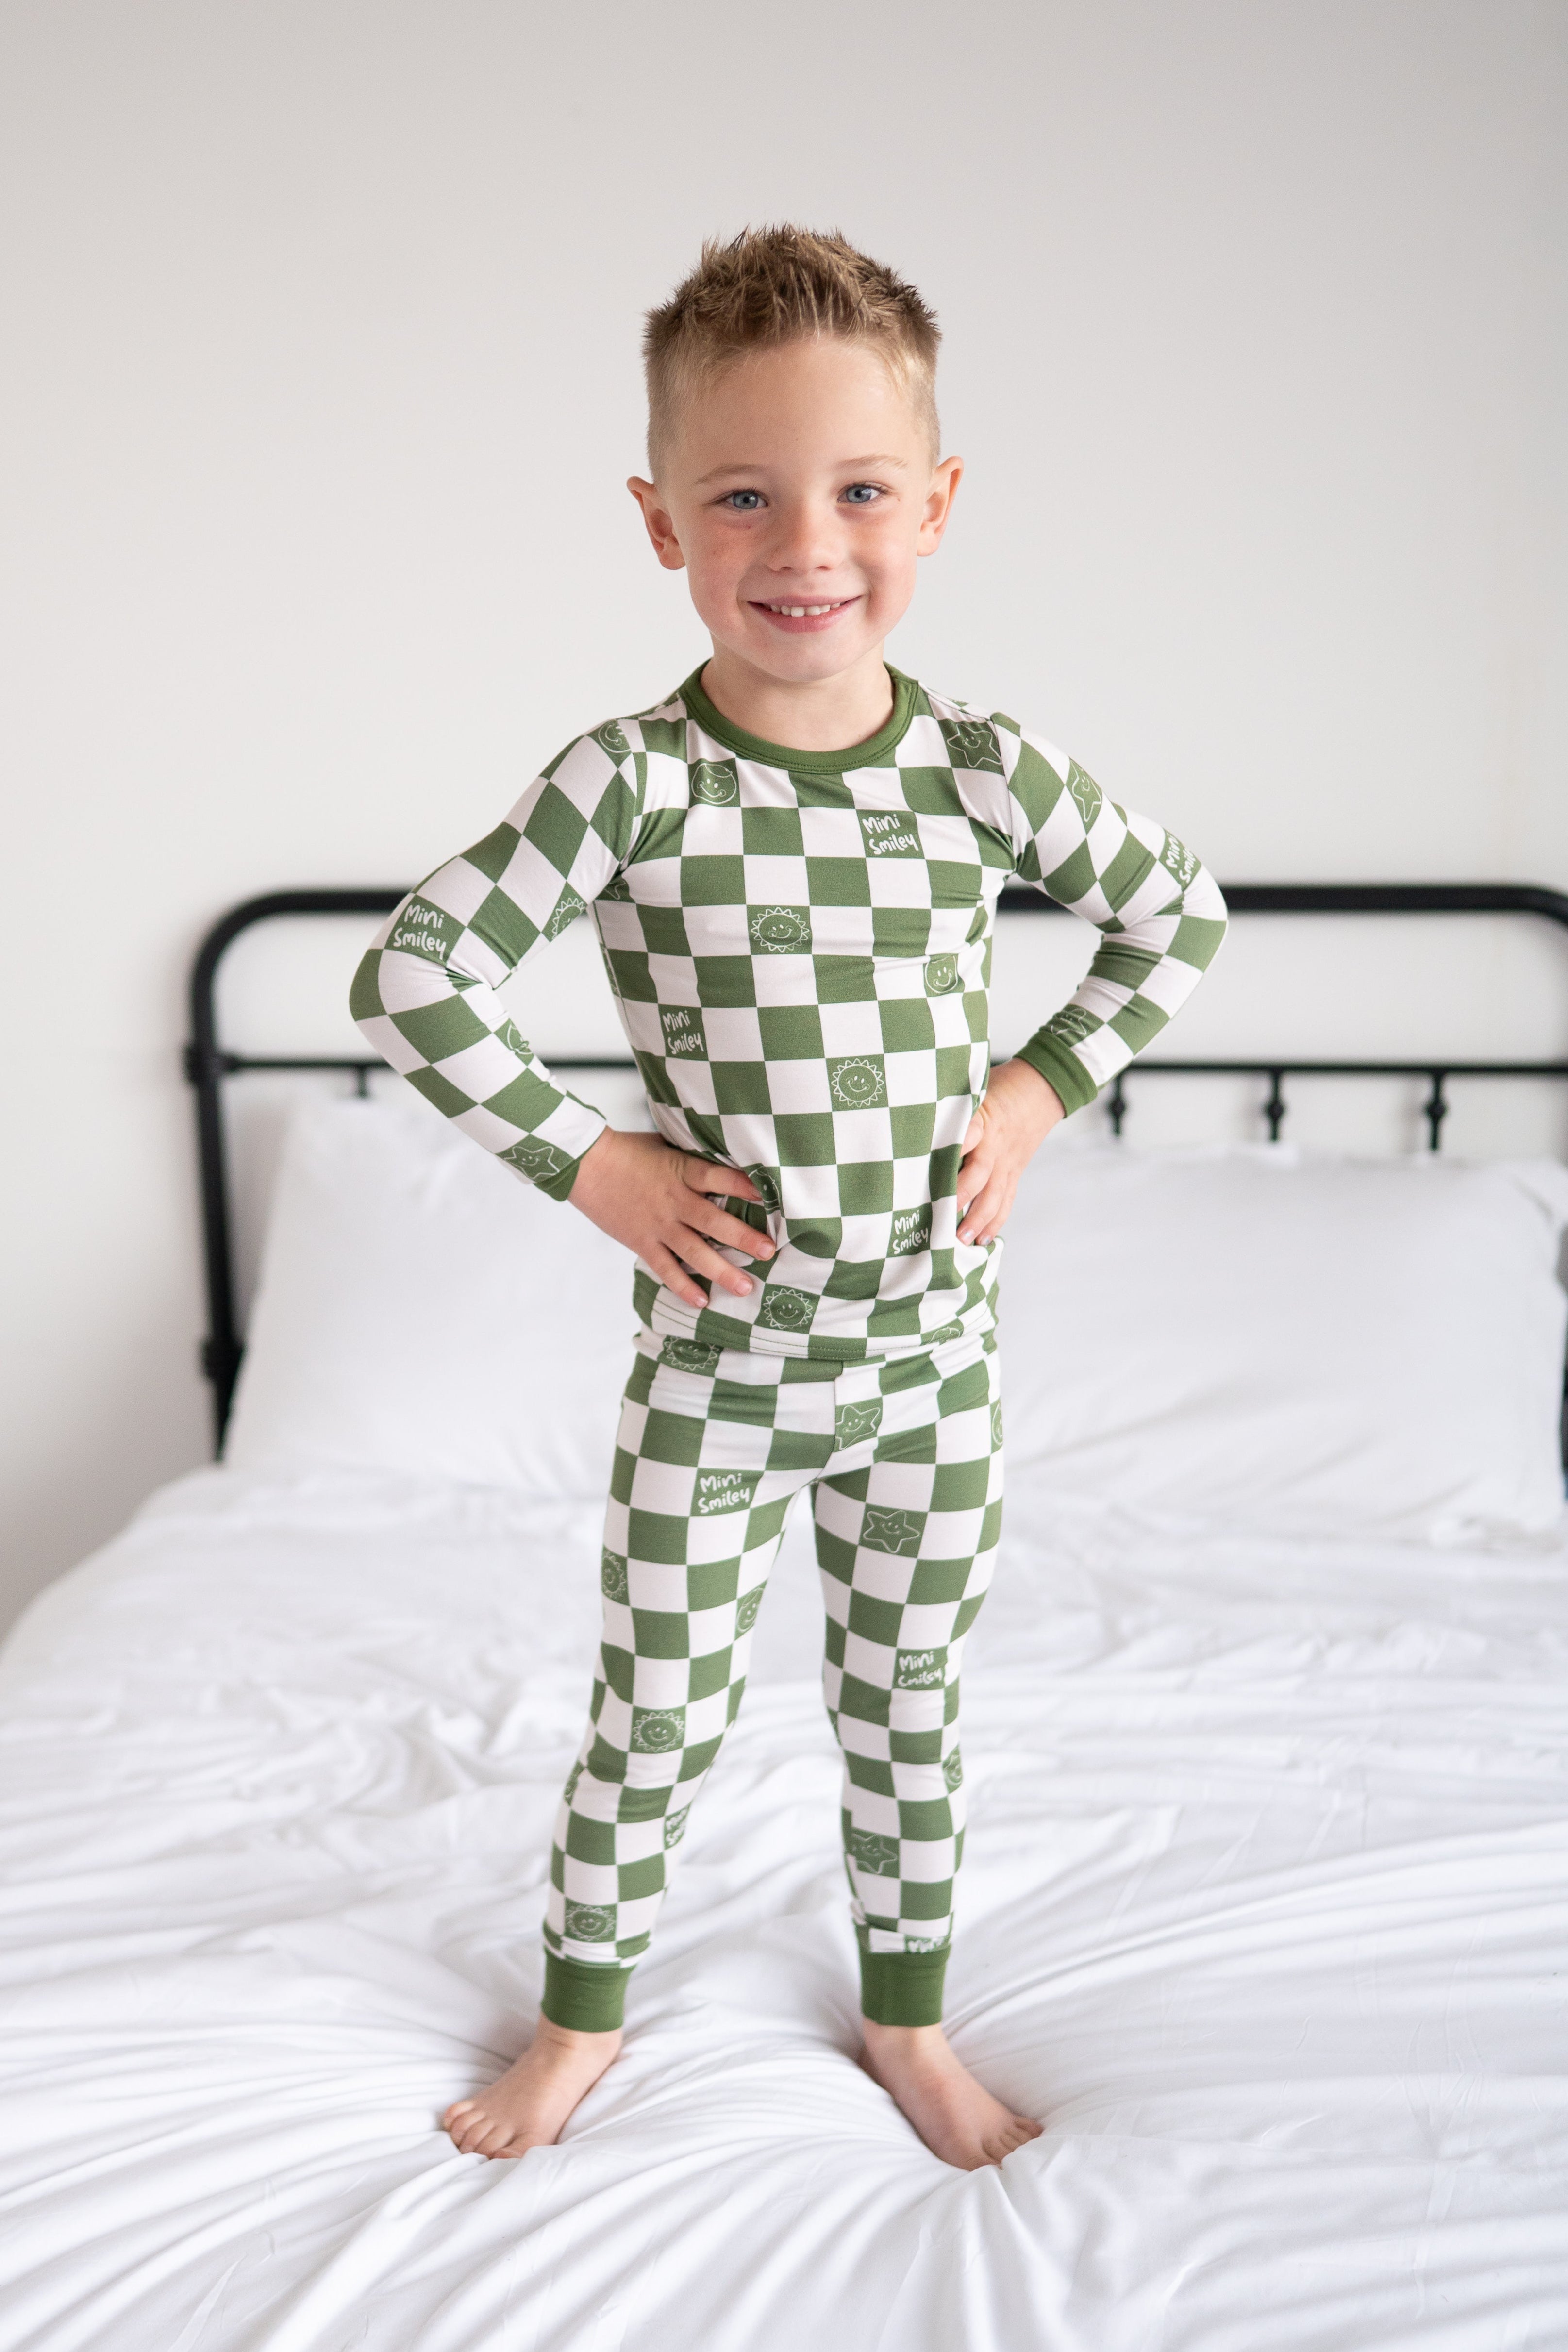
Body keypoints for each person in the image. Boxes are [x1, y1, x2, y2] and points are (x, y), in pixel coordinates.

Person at [351, 225, 1227, 2171]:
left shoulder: (980, 771)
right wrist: (590, 1159)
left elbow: (1179, 911)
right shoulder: (636, 784)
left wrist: (1037, 1076)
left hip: (925, 1365)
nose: (803, 542)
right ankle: (582, 2026)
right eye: (740, 494)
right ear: (662, 522)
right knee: (651, 1709)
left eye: (856, 492)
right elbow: (414, 974)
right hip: (721, 1368)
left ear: (936, 506)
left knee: (904, 1699)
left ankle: (908, 2022)